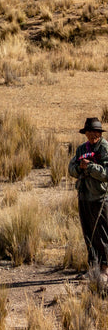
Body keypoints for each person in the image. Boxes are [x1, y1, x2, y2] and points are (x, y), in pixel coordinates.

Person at [69, 117, 108, 285]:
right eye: (90, 132)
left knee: (102, 235)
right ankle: (92, 268)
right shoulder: (81, 149)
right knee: (88, 233)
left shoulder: (105, 149)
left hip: (100, 198)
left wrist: (91, 167)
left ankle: (105, 269)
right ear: (85, 133)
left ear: (100, 133)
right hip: (84, 196)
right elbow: (71, 169)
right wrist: (80, 167)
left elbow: (106, 173)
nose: (93, 135)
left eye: (96, 132)